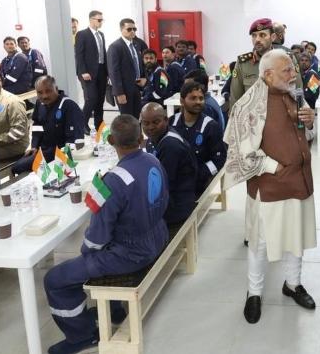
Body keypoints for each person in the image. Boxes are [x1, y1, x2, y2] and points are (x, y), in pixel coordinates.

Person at [43, 115, 170, 354]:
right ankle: (114, 309)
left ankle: (81, 336)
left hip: (131, 254)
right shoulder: (153, 160)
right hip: (158, 236)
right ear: (141, 138)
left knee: (55, 279)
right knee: (106, 250)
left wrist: (86, 254)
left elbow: (96, 238)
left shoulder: (113, 180)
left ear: (110, 140)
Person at [223, 50, 317, 324]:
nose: (293, 74)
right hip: (270, 185)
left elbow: (307, 134)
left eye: (293, 69)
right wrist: (274, 167)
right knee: (260, 242)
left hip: (300, 180)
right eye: (286, 70)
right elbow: (241, 151)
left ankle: (293, 284)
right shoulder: (249, 105)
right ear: (267, 75)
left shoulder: (295, 95)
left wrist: (310, 123)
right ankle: (254, 292)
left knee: (296, 235)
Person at [11, 76, 85, 175]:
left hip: (60, 153)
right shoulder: (40, 103)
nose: (44, 96)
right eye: (40, 93)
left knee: (19, 167)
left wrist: (65, 161)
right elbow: (37, 126)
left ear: (56, 89)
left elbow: (76, 139)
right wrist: (35, 146)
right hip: (44, 149)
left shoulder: (69, 106)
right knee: (16, 168)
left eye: (48, 91)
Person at [141, 103, 198, 223]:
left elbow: (162, 186)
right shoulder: (153, 139)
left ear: (166, 120)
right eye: (146, 123)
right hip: (171, 198)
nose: (150, 127)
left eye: (156, 122)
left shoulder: (170, 145)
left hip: (177, 206)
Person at [228, 18, 302, 110]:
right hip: (252, 117)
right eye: (254, 36)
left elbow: (298, 91)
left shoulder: (287, 59)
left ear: (273, 37)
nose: (257, 39)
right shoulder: (243, 64)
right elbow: (235, 99)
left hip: (281, 114)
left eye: (262, 35)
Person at [169, 81, 226, 197]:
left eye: (201, 98)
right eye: (193, 98)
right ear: (182, 101)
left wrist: (198, 174)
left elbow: (219, 160)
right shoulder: (171, 122)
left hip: (196, 183)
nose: (198, 102)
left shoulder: (211, 126)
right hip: (172, 179)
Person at [75, 10, 109, 133]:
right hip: (87, 72)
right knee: (91, 98)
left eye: (102, 20)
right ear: (91, 20)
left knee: (100, 99)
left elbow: (103, 53)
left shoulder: (101, 35)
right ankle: (82, 123)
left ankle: (99, 124)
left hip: (101, 70)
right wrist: (83, 71)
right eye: (99, 20)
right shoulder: (82, 34)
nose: (101, 22)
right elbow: (79, 55)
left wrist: (107, 71)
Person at [107, 18, 146, 118]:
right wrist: (119, 93)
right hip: (124, 89)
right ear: (121, 30)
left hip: (137, 87)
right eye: (129, 29)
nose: (132, 31)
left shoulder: (137, 44)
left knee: (137, 117)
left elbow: (142, 64)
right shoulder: (115, 47)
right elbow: (114, 71)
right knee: (127, 119)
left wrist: (144, 78)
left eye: (134, 29)